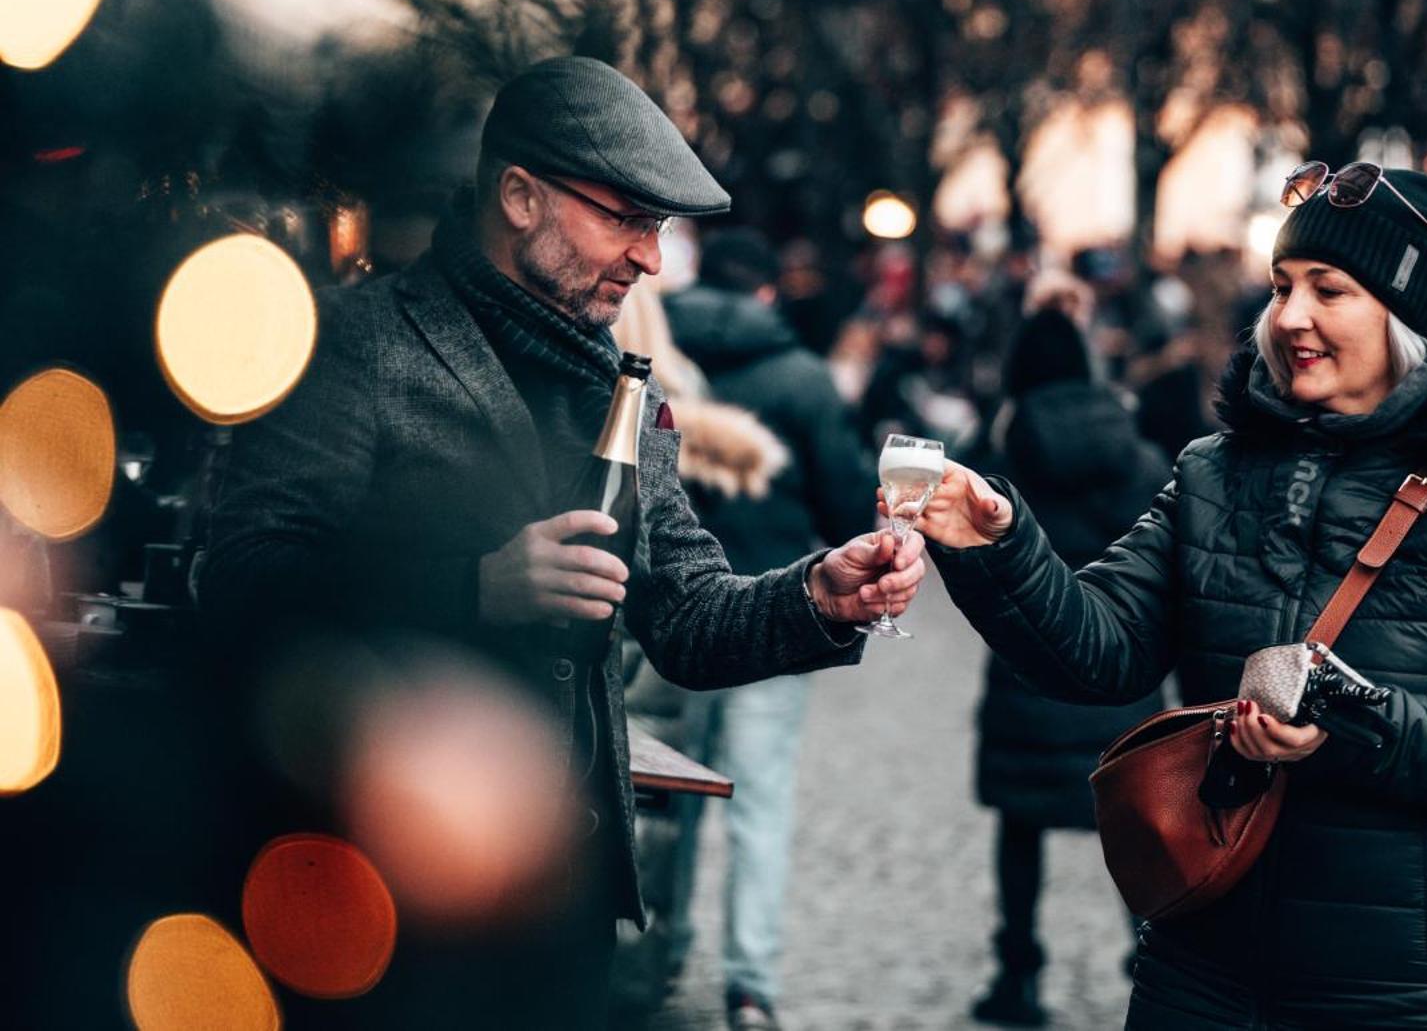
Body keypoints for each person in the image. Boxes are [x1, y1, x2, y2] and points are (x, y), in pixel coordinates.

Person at [197, 56, 925, 1029]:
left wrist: (815, 598)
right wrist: (474, 588)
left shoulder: (629, 390)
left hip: (564, 903)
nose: (649, 258)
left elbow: (689, 617)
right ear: (519, 196)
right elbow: (243, 576)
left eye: (657, 229)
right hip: (370, 886)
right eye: (625, 217)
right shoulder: (359, 342)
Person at [913, 162, 1427, 1028]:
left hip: (1413, 992)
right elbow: (1097, 650)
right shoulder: (1213, 472)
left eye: (1328, 289)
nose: (1291, 316)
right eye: (1281, 286)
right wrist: (1001, 547)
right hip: (1204, 972)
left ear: (1409, 316)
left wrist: (1352, 714)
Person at [642, 227, 878, 1031]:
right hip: (772, 610)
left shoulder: (650, 343)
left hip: (665, 610)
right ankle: (749, 984)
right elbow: (847, 502)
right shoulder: (803, 378)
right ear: (770, 293)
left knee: (664, 798)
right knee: (761, 801)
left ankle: (653, 960)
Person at [967, 308, 1171, 1027]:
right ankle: (1154, 960)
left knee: (1020, 827)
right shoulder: (1138, 455)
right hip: (1122, 675)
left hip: (1030, 671)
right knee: (1140, 829)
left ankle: (1016, 974)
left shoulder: (1003, 456)